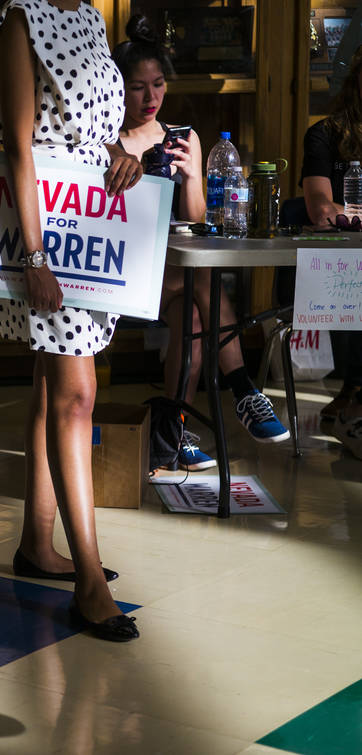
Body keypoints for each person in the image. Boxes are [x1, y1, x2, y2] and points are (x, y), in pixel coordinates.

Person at [0, 0, 140, 641]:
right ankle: (89, 582)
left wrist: (122, 150)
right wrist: (35, 255)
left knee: (52, 389)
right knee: (78, 396)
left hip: (90, 220)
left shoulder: (89, 17)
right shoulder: (21, 21)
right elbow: (18, 147)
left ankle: (36, 544)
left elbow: (93, 126)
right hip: (46, 231)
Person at [112, 15, 290, 473]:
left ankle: (171, 434)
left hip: (174, 276)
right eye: (137, 87)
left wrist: (193, 172)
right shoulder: (106, 143)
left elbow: (196, 223)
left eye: (158, 85)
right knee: (199, 281)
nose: (151, 98)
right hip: (123, 272)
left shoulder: (181, 137)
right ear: (118, 88)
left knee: (194, 308)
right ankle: (241, 385)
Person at [300, 44, 362, 460]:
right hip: (334, 263)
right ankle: (355, 393)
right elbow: (322, 209)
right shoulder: (325, 134)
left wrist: (351, 212)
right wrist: (343, 212)